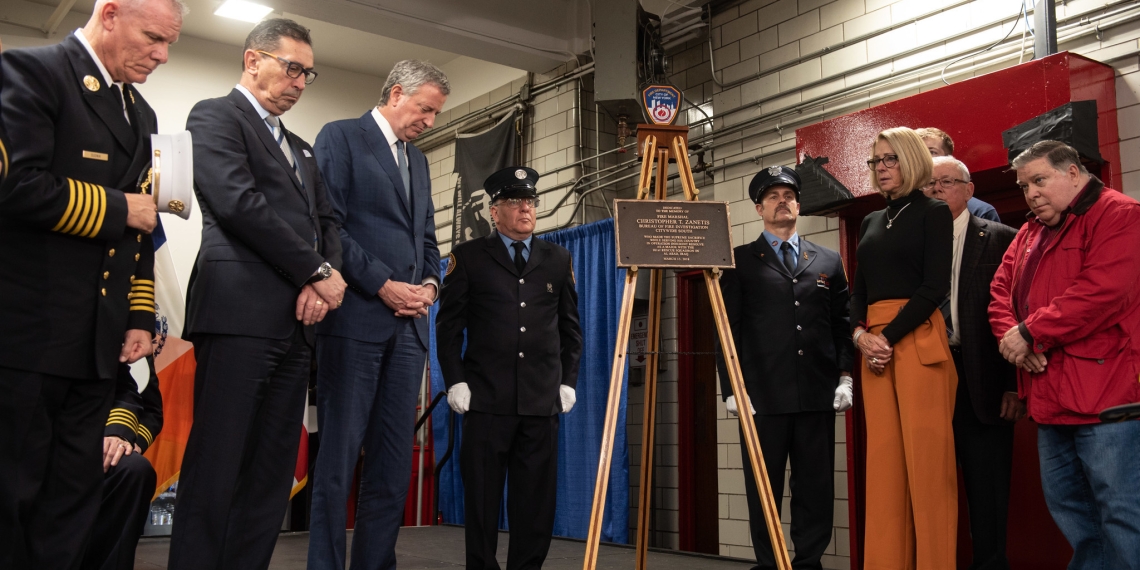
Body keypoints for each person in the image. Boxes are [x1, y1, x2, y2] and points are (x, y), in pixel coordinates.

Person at [0, 1, 182, 567]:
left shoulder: (142, 114)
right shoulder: (30, 73)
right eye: (152, 37)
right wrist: (116, 208)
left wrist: (135, 316)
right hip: (27, 334)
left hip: (96, 346)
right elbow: (16, 187)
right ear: (109, 14)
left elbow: (143, 228)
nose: (162, 54)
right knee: (12, 494)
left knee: (71, 499)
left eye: (169, 42)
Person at [169, 18, 345, 570]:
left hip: (297, 325)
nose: (299, 81)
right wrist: (316, 271)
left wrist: (324, 281)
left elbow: (329, 224)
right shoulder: (215, 115)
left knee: (271, 471)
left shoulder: (303, 149)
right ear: (252, 60)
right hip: (238, 314)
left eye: (307, 73)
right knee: (218, 464)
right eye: (291, 67)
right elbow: (239, 204)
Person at [308, 60, 448, 570]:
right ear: (395, 93)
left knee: (392, 467)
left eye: (436, 113)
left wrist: (430, 286)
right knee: (339, 462)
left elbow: (428, 238)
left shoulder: (420, 161)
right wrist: (383, 285)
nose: (430, 121)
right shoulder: (340, 138)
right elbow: (330, 228)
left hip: (409, 332)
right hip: (355, 322)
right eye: (425, 109)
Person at [989, 140, 1140, 569]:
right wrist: (1017, 342)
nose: (1031, 193)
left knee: (1124, 517)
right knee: (1076, 517)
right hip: (1050, 400)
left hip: (1108, 402)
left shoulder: (1121, 215)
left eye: (1039, 180)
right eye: (1024, 186)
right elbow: (1000, 293)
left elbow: (1101, 293)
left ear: (1073, 173)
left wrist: (1031, 334)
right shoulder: (1030, 231)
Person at [436, 166, 583, 570]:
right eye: (515, 202)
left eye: (531, 202)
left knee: (535, 502)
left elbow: (571, 330)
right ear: (493, 211)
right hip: (485, 401)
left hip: (540, 403)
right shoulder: (466, 259)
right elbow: (448, 329)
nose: (525, 209)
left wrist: (567, 382)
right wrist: (456, 381)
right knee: (482, 501)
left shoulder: (557, 258)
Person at [715, 165, 855, 570]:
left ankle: (809, 561)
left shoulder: (827, 259)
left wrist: (845, 376)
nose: (783, 202)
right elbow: (726, 329)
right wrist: (730, 389)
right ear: (758, 207)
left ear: (799, 203)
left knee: (815, 488)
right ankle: (770, 562)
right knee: (764, 488)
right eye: (773, 197)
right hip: (761, 397)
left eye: (789, 195)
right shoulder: (738, 261)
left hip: (816, 394)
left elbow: (841, 324)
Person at [851, 127, 956, 569]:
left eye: (890, 159)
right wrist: (861, 337)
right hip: (873, 346)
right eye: (876, 162)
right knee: (885, 469)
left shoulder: (934, 212)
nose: (882, 169)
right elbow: (858, 294)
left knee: (929, 470)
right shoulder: (870, 221)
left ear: (912, 159)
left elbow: (935, 286)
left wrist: (886, 338)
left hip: (916, 341)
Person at [923, 156, 1021, 570]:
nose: (937, 189)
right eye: (929, 184)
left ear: (969, 190)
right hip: (927, 378)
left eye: (946, 182)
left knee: (988, 492)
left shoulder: (1002, 238)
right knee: (930, 489)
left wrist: (1016, 385)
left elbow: (1019, 314)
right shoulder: (914, 243)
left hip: (984, 380)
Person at [82, 358, 163, 570]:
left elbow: (150, 408)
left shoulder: (129, 335)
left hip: (100, 440)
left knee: (133, 469)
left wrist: (123, 438)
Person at [916, 127, 1000, 222]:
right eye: (917, 153)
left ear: (948, 158)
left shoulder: (980, 212)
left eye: (931, 152)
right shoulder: (899, 208)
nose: (923, 158)